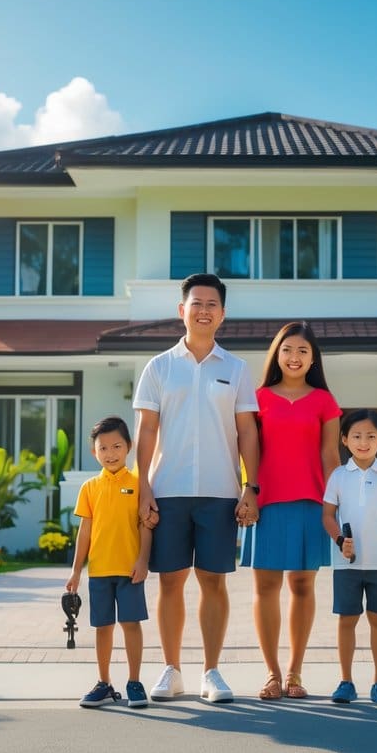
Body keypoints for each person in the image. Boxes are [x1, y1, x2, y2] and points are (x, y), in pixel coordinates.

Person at [134, 272, 260, 703]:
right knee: (170, 581)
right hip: (167, 490)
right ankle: (171, 670)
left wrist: (251, 486)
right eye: (196, 303)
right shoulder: (159, 367)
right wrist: (144, 488)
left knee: (214, 582)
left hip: (221, 491)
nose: (203, 310)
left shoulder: (237, 369)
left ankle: (211, 672)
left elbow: (247, 432)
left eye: (212, 304)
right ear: (181, 310)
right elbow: (146, 431)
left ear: (222, 314)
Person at [245, 321, 341, 700]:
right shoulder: (258, 399)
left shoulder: (324, 401)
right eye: (287, 350)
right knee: (265, 586)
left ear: (313, 357)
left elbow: (331, 456)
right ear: (276, 354)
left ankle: (295, 674)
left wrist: (336, 506)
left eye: (303, 350)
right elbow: (248, 453)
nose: (295, 357)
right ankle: (271, 674)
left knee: (302, 585)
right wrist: (247, 492)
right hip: (266, 503)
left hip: (311, 504)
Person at [322, 408, 377, 704]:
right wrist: (339, 540)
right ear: (344, 440)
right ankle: (345, 681)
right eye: (357, 436)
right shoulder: (337, 477)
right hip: (346, 565)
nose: (363, 442)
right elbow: (327, 516)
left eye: (371, 436)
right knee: (347, 619)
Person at [66, 416, 153, 709]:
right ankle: (104, 683)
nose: (110, 453)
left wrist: (143, 561)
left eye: (116, 446)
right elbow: (85, 532)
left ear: (128, 447)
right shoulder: (89, 488)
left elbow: (145, 526)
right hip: (99, 571)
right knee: (103, 627)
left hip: (130, 570)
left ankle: (135, 682)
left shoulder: (140, 484)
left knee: (131, 624)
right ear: (94, 452)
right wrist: (76, 571)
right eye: (103, 448)